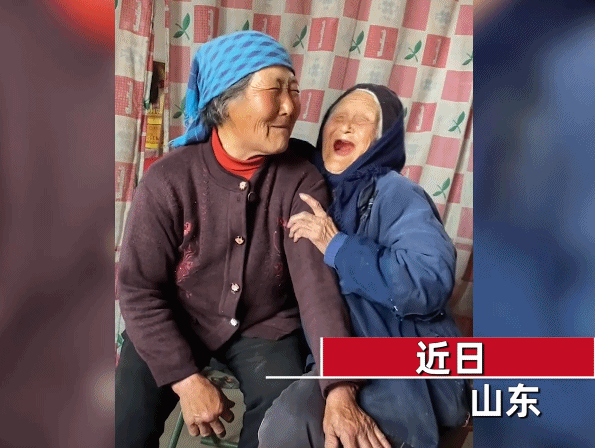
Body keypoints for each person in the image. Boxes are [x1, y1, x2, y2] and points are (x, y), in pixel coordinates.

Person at [115, 33, 390, 448]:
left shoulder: (302, 180)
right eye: (274, 90)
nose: (290, 106)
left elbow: (316, 290)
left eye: (293, 90)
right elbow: (138, 290)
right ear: (225, 101)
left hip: (265, 327)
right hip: (174, 318)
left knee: (277, 428)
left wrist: (339, 386)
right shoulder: (167, 180)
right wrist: (186, 380)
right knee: (123, 425)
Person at [259, 84, 470, 448]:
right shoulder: (307, 186)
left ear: (382, 140)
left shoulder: (396, 193)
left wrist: (337, 246)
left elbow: (429, 281)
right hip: (326, 349)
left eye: (361, 120)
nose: (345, 126)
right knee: (275, 408)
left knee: (292, 425)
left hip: (395, 354)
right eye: (338, 117)